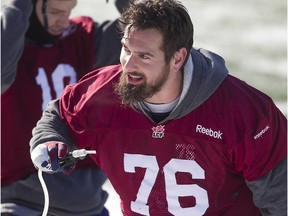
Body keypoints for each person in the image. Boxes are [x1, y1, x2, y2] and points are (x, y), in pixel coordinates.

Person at [30, 0, 287, 215]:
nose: (128, 65)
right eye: (125, 49)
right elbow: (59, 116)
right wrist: (49, 142)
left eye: (144, 56)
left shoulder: (241, 110)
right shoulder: (102, 92)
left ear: (178, 58)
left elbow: (280, 196)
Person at [1, 0, 129, 215]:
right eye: (55, 12)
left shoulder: (84, 37)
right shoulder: (10, 43)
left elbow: (155, 39)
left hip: (92, 206)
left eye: (69, 11)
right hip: (21, 205)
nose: (63, 20)